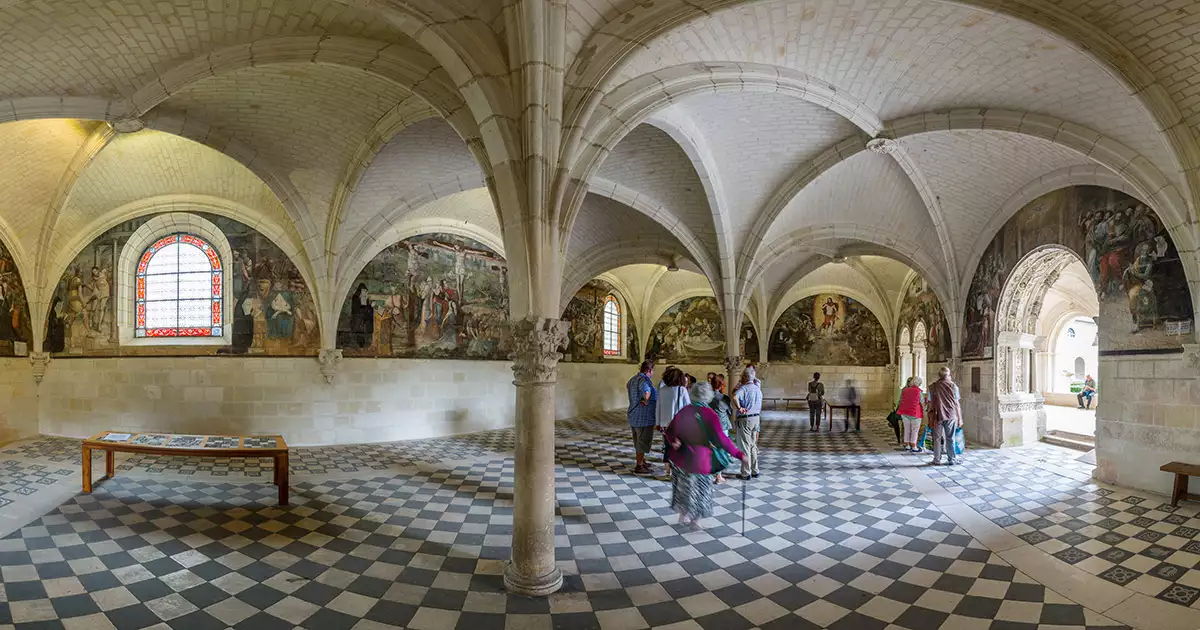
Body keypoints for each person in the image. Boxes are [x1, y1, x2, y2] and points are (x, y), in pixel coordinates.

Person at [666, 381, 745, 529]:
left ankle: (682, 517)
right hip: (700, 459)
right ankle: (695, 521)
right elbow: (722, 440)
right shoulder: (710, 414)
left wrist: (674, 440)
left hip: (681, 458)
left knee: (683, 488)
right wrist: (739, 455)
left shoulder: (685, 411)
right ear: (708, 396)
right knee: (701, 490)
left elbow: (669, 430)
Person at [657, 367, 691, 479]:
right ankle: (678, 471)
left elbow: (658, 407)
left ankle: (668, 473)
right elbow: (688, 408)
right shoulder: (682, 390)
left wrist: (658, 422)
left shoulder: (662, 390)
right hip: (679, 425)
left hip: (665, 424)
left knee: (668, 447)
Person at [626, 361, 657, 475]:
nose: (653, 373)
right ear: (649, 370)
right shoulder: (644, 380)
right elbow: (646, 391)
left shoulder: (633, 379)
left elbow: (627, 386)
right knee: (643, 440)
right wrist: (646, 400)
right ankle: (639, 465)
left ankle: (642, 461)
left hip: (633, 413)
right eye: (653, 370)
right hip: (644, 416)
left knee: (637, 439)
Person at [928, 367, 963, 466]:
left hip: (936, 415)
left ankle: (936, 459)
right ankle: (951, 459)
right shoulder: (953, 386)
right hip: (951, 415)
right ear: (948, 375)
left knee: (937, 438)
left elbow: (930, 403)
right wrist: (960, 418)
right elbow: (957, 404)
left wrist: (929, 416)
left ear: (939, 375)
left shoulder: (933, 387)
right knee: (950, 438)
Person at [733, 366, 763, 479]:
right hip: (756, 419)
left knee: (745, 446)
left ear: (745, 377)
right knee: (753, 445)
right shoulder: (757, 388)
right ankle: (755, 470)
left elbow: (735, 397)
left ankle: (746, 472)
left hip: (746, 419)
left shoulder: (744, 388)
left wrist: (739, 408)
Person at [708, 374, 734, 484]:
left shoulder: (707, 397)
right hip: (722, 426)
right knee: (720, 450)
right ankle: (718, 476)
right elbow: (730, 412)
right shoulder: (724, 398)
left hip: (709, 426)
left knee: (711, 449)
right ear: (722, 385)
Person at [897, 376, 926, 453]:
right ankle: (914, 446)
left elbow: (900, 401)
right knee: (914, 430)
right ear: (919, 384)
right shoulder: (919, 391)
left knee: (907, 429)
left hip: (904, 413)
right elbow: (922, 403)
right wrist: (924, 410)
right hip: (915, 413)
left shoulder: (904, 390)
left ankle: (907, 445)